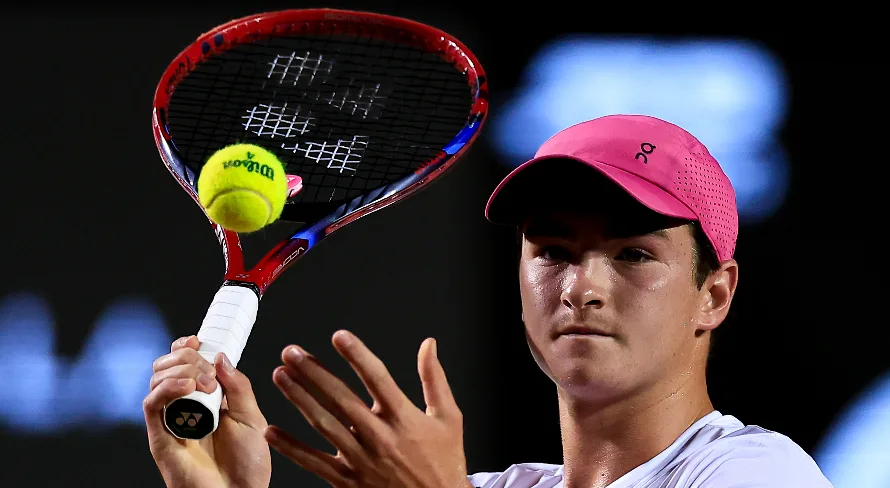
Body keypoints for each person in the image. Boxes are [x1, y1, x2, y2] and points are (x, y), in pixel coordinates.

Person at [144, 114, 834, 488]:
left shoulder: (756, 472)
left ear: (713, 295)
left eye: (633, 253)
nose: (582, 287)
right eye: (553, 252)